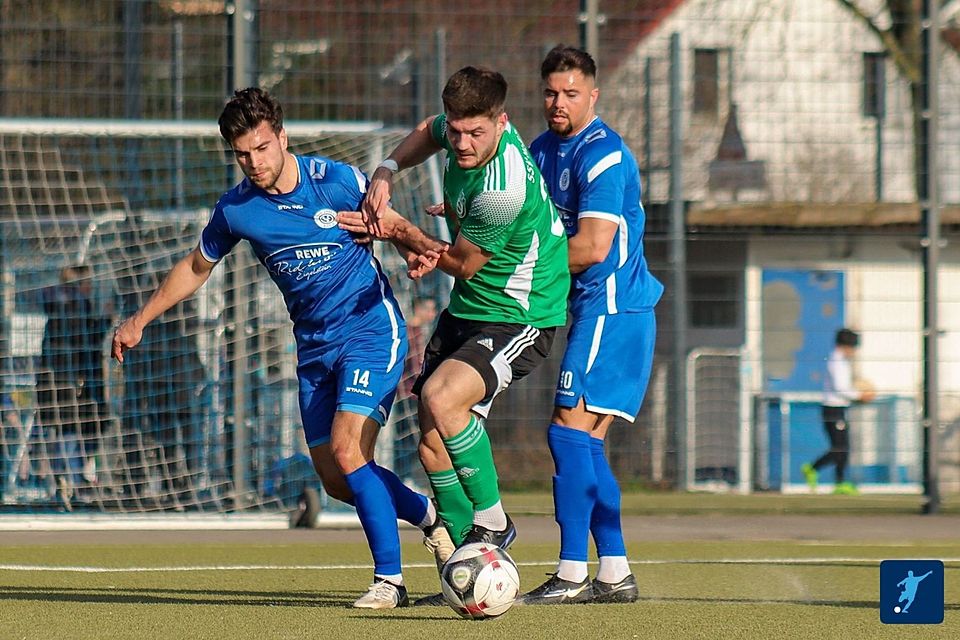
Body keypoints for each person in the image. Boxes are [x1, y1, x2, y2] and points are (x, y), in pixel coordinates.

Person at [111, 87, 453, 609]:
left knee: (349, 449)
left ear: (282, 138)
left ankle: (391, 582)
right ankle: (429, 516)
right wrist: (140, 319)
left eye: (262, 148)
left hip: (368, 329)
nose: (254, 162)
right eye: (243, 154)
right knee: (339, 480)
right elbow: (197, 267)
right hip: (313, 347)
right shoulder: (237, 209)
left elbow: (393, 223)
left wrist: (421, 249)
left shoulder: (334, 180)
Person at [339, 67, 570, 562]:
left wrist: (401, 231)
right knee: (428, 435)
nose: (462, 143)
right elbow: (428, 131)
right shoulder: (455, 127)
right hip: (469, 308)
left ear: (501, 122)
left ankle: (493, 523)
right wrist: (385, 168)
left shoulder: (503, 187)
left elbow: (462, 264)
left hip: (522, 314)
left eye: (476, 133)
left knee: (444, 399)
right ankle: (464, 558)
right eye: (458, 130)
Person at [514, 46, 664, 606]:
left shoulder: (604, 155)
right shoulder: (540, 150)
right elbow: (521, 219)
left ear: (593, 95)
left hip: (613, 308)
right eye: (551, 91)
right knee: (585, 446)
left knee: (565, 432)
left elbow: (595, 246)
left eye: (571, 93)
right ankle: (615, 571)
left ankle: (573, 572)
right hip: (593, 310)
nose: (558, 102)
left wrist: (520, 265)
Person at [802, 328, 874, 496]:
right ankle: (816, 470)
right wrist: (860, 395)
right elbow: (840, 388)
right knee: (841, 447)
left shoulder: (841, 361)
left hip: (838, 408)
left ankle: (838, 481)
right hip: (833, 409)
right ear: (846, 345)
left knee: (841, 447)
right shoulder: (837, 362)